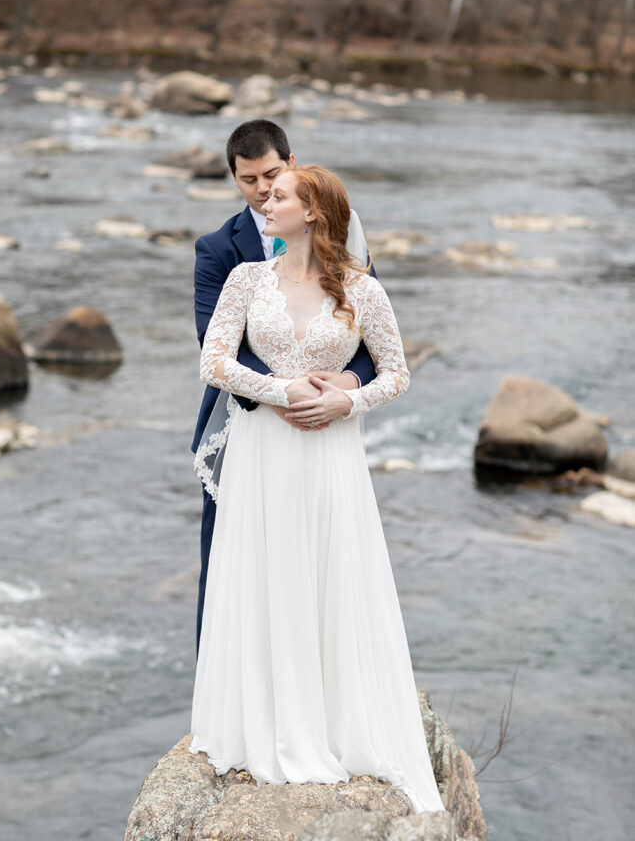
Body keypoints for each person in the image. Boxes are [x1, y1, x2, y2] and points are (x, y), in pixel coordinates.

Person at [189, 164, 445, 814]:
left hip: (330, 450)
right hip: (263, 449)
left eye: (277, 196)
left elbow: (396, 374)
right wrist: (279, 392)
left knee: (328, 572)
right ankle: (263, 720)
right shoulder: (247, 280)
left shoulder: (362, 291)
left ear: (313, 213)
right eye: (263, 193)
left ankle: (333, 719)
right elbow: (212, 361)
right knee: (264, 572)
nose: (262, 202)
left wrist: (348, 402)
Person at [192, 120, 376, 653]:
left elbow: (364, 321)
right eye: (247, 179)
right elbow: (214, 340)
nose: (260, 189)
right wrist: (281, 392)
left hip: (324, 417)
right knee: (231, 563)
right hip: (243, 420)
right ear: (233, 179)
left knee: (324, 555)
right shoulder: (216, 249)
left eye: (271, 174)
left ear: (292, 163)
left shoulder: (341, 226)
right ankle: (222, 694)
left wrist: (346, 383)